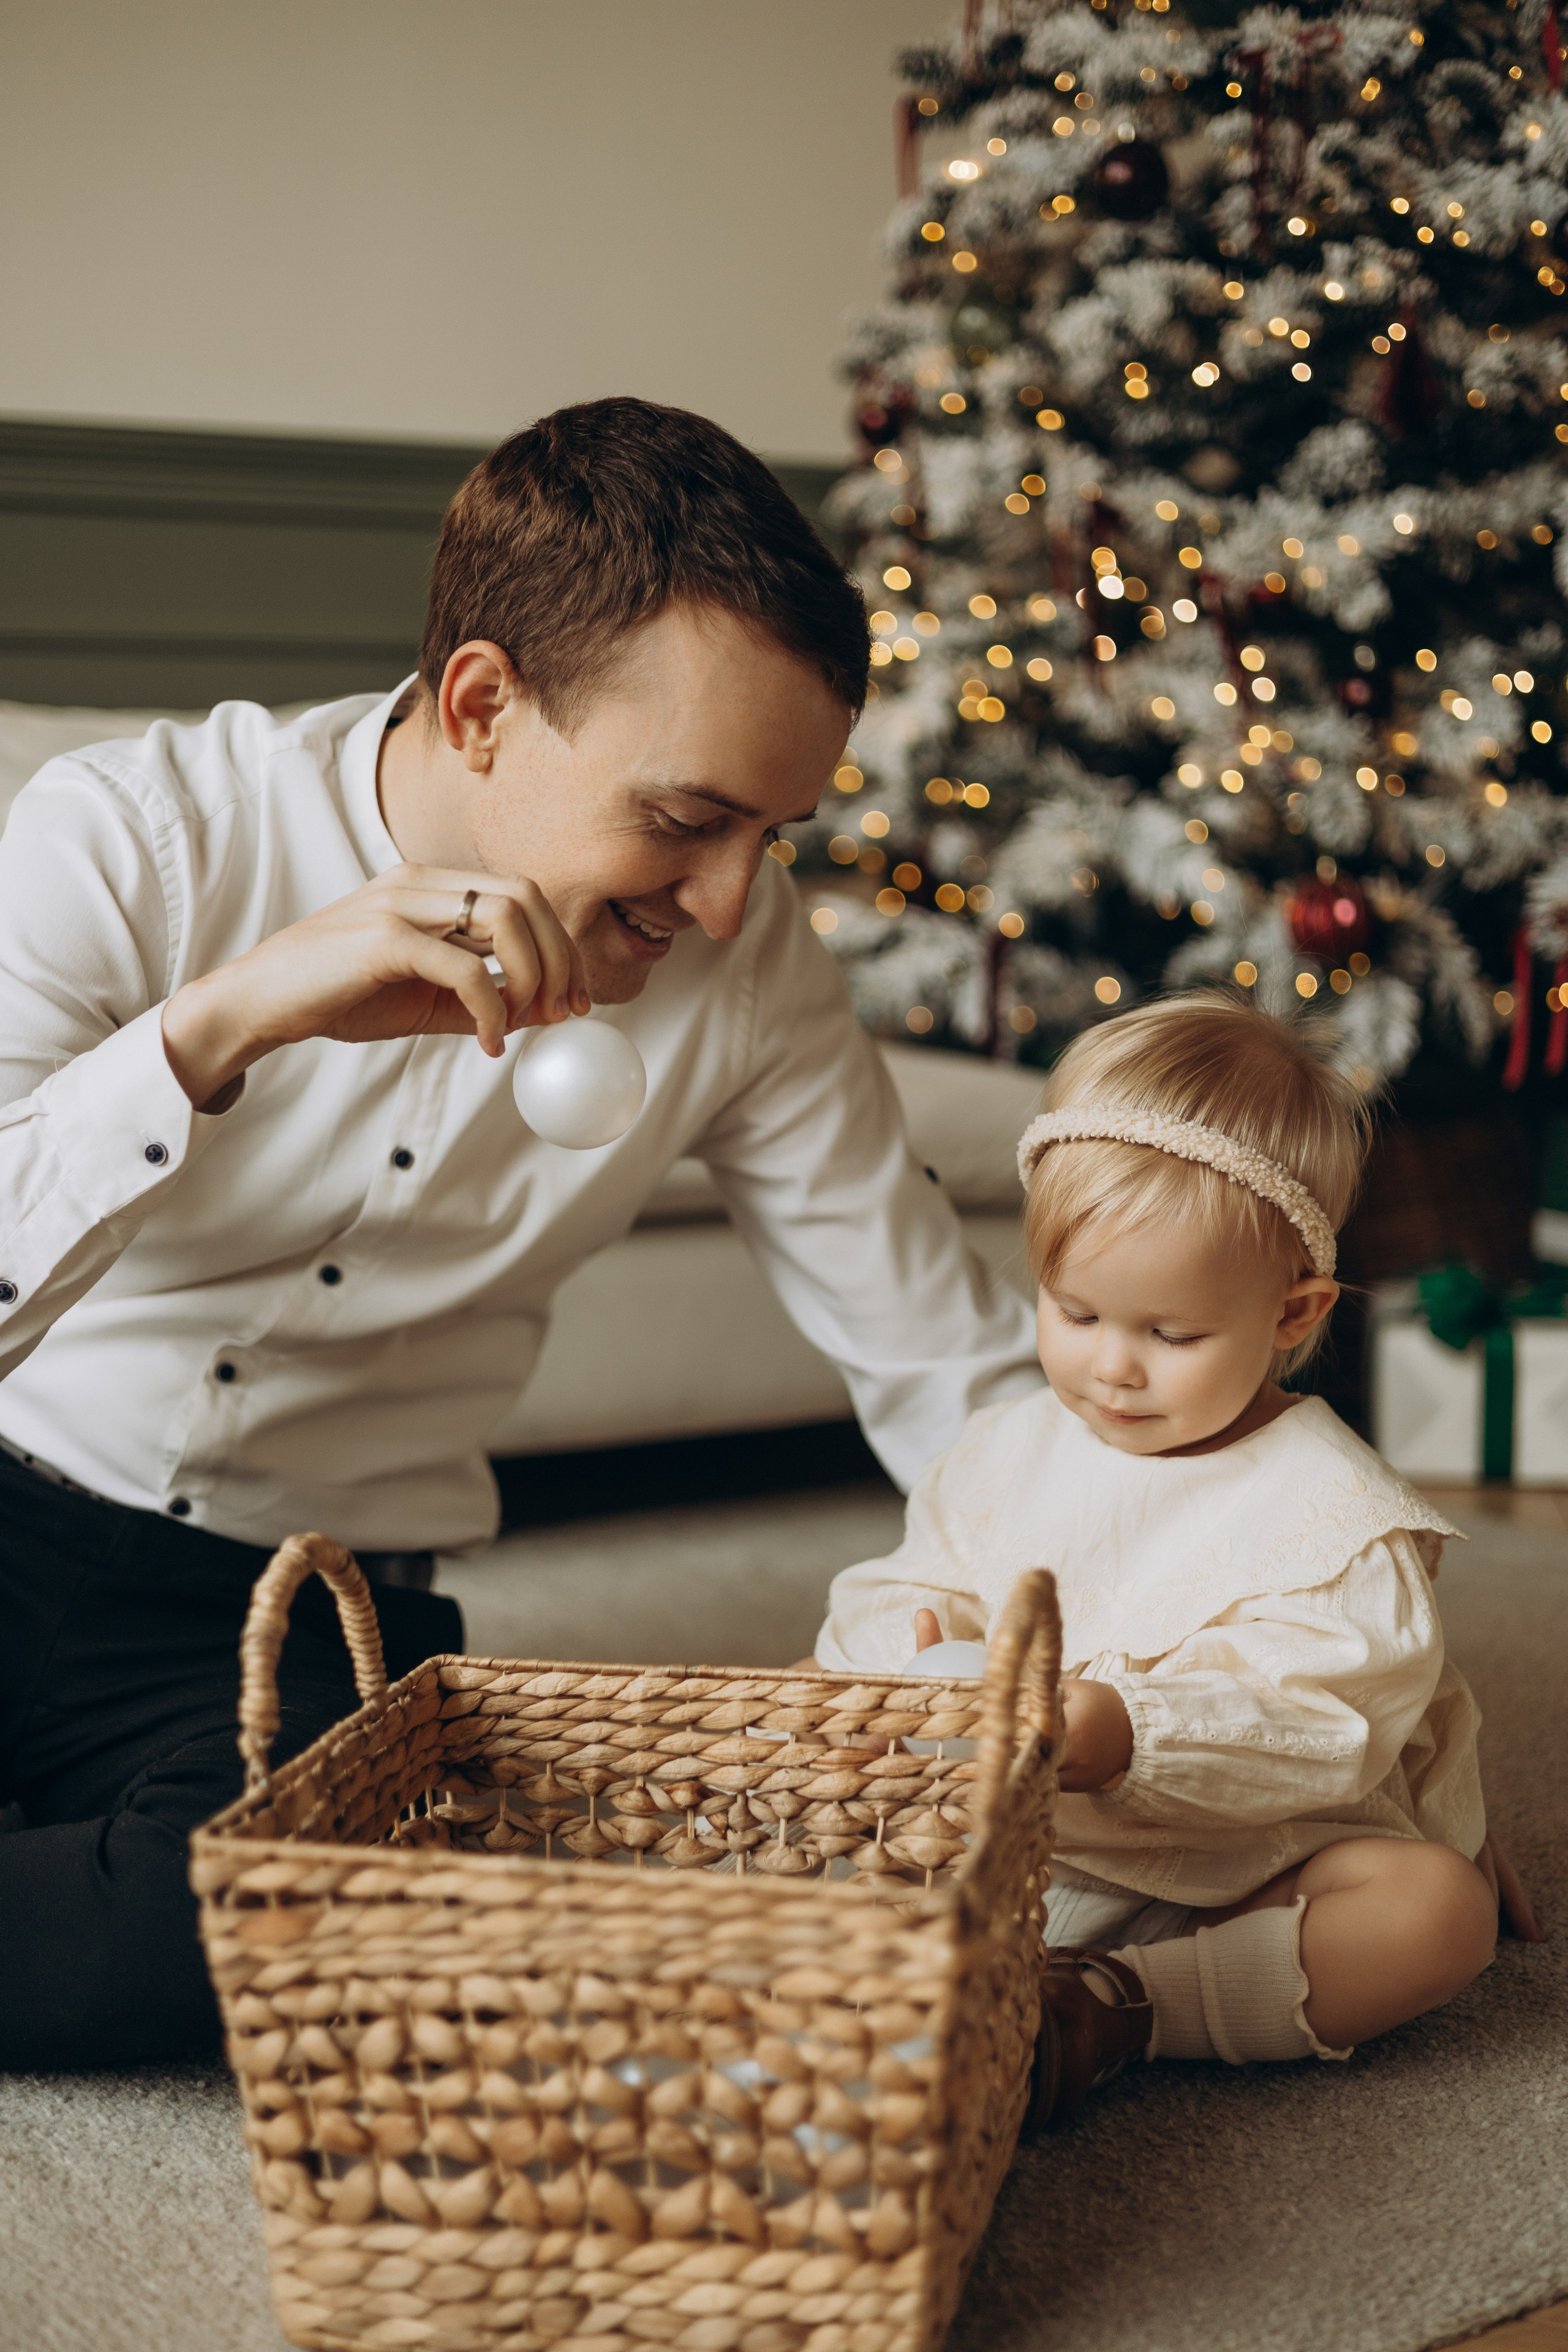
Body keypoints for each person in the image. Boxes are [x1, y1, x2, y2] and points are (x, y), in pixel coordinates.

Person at [0, 398, 1039, 2069]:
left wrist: (1239, 1634)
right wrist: (219, 1029)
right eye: (690, 818)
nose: (725, 902)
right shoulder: (132, 840)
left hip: (299, 1614)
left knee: (276, 1941)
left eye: (772, 838)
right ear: (483, 705)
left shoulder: (750, 964)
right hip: (13, 1487)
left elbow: (946, 1359)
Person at [815, 993, 1540, 2124]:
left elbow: (1327, 1722)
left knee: (1435, 1913)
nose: (1112, 1369)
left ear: (1293, 1317)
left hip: (1240, 1872)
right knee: (810, 1816)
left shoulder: (1335, 1511)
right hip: (1025, 1854)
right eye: (1076, 1312)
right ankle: (974, 1973)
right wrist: (909, 1649)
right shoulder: (1010, 1447)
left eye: (1172, 1335)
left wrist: (1121, 1731)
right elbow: (908, 1578)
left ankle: (1122, 2008)